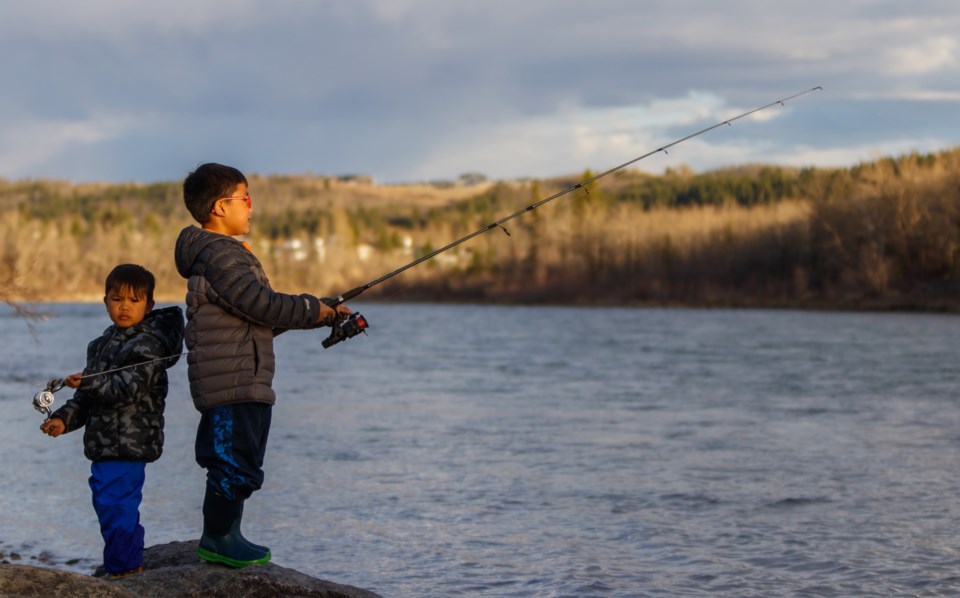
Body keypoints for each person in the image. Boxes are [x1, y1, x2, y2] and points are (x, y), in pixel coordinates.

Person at [174, 163, 351, 568]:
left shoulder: (224, 255)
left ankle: (229, 535)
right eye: (246, 198)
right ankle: (217, 538)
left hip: (247, 377)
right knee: (230, 461)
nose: (252, 207)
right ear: (221, 206)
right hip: (230, 381)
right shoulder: (219, 254)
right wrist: (312, 309)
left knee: (244, 461)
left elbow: (259, 320)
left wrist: (322, 312)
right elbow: (262, 304)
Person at [39, 264, 184, 578]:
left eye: (134, 300)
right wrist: (64, 419)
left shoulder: (149, 346)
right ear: (105, 301)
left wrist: (87, 382)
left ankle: (124, 567)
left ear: (149, 305)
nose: (124, 306)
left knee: (117, 505)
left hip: (131, 442)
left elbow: (127, 390)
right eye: (117, 299)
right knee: (108, 504)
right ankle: (127, 561)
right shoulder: (101, 343)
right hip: (104, 442)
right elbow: (87, 400)